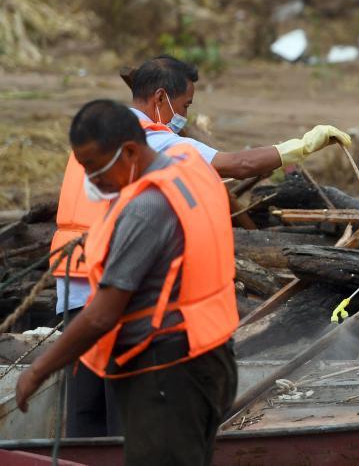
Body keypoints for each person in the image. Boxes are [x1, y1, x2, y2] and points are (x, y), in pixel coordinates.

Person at [50, 54, 350, 437]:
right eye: (185, 105)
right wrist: (302, 146)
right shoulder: (154, 141)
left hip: (73, 290)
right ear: (160, 99)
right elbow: (239, 163)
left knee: (84, 412)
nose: (185, 117)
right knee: (124, 417)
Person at [18, 100, 238, 465]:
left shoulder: (145, 208)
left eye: (95, 167)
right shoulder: (187, 170)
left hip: (165, 373)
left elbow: (102, 315)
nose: (91, 180)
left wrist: (39, 370)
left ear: (131, 151)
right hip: (209, 355)